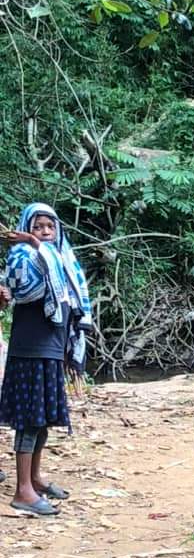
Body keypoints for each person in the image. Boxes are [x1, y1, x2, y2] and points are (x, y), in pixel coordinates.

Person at [0, 203, 92, 516]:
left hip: (50, 348)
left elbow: (66, 292)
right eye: (37, 227)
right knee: (30, 420)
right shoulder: (22, 257)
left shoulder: (61, 258)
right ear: (26, 228)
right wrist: (32, 243)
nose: (45, 232)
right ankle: (22, 491)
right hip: (30, 349)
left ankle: (35, 479)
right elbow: (24, 291)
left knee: (43, 422)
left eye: (50, 227)